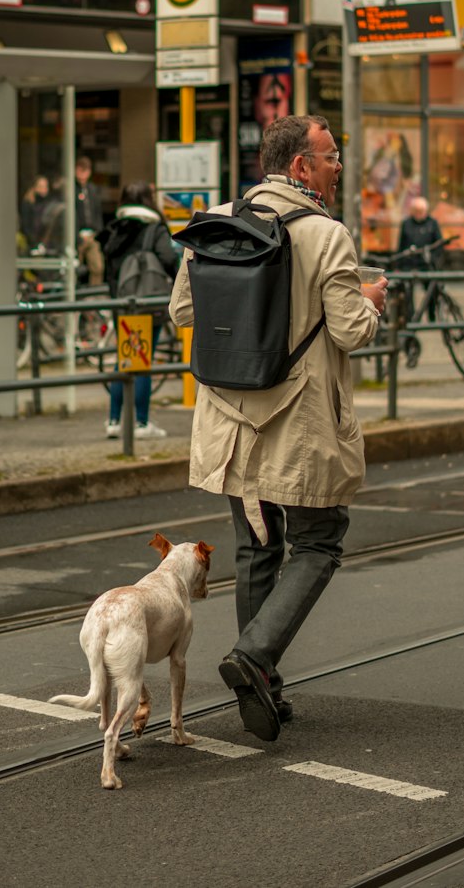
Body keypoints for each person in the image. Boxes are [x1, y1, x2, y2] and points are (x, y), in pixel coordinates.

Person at [170, 114, 386, 741]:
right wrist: (370, 302)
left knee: (256, 547)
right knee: (319, 540)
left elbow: (183, 309)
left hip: (232, 420)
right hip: (298, 420)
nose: (338, 165)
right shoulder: (326, 235)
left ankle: (261, 685)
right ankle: (256, 658)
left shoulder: (215, 220)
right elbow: (350, 331)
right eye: (331, 155)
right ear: (301, 167)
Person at [98, 182, 178, 440]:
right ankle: (141, 423)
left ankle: (114, 420)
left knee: (126, 360)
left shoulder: (116, 228)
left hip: (120, 303)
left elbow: (109, 269)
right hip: (146, 301)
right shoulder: (153, 228)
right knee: (142, 361)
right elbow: (168, 259)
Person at [396, 195, 444, 329]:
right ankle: (410, 318)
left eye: (421, 211)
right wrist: (399, 264)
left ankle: (432, 314)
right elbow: (401, 245)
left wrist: (433, 258)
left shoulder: (432, 223)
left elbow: (439, 244)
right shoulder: (406, 224)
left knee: (432, 288)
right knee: (407, 290)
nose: (419, 214)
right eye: (416, 211)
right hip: (409, 264)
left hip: (426, 264)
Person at [75, 156, 105, 287]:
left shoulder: (92, 189)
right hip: (77, 235)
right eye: (80, 170)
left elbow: (97, 211)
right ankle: (72, 296)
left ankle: (93, 296)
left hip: (92, 235)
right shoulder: (71, 189)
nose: (83, 174)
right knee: (75, 268)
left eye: (85, 171)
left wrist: (98, 231)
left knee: (97, 267)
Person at [19, 175, 50, 249]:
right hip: (32, 244)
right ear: (34, 187)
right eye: (41, 186)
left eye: (46, 186)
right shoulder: (28, 204)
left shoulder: (48, 204)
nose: (44, 189)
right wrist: (34, 243)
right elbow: (26, 226)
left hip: (46, 244)